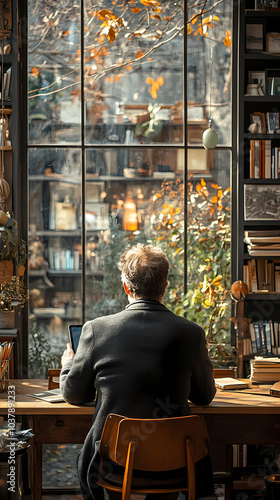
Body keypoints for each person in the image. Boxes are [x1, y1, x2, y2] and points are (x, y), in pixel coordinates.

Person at [60, 244, 216, 500]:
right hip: (176, 465)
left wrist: (69, 362)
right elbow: (204, 397)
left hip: (111, 464)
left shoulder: (96, 330)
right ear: (165, 286)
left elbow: (74, 394)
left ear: (125, 286)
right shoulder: (192, 333)